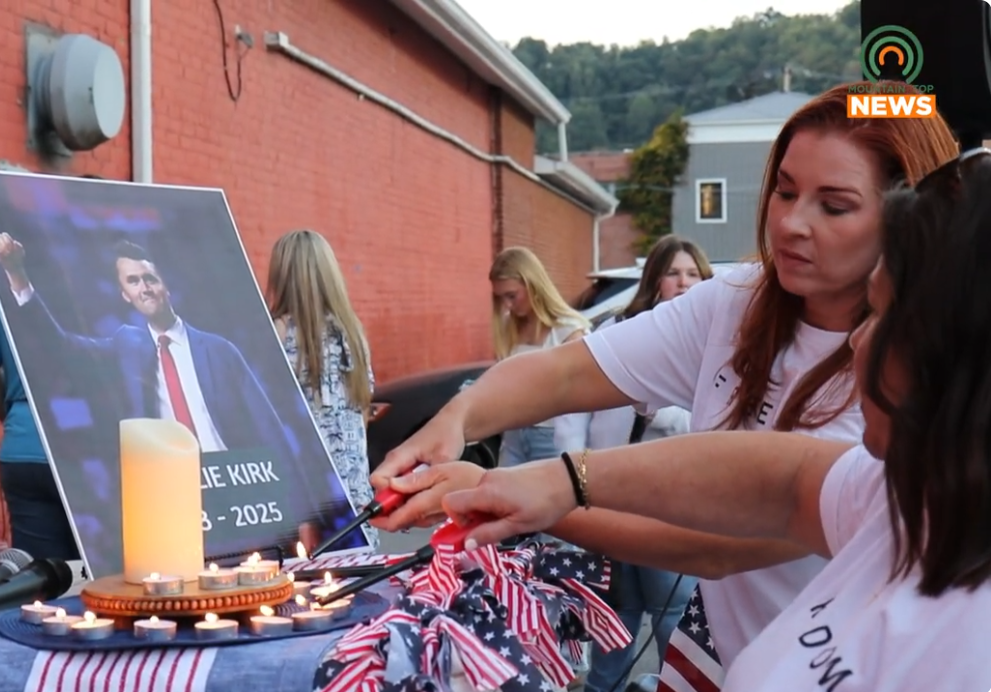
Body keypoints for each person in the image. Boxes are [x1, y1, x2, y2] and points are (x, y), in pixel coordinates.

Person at [369, 82, 957, 671]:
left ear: (910, 222)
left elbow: (723, 536)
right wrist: (459, 418)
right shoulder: (735, 300)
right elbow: (570, 373)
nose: (792, 224)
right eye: (783, 191)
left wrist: (536, 491)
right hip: (714, 656)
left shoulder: (915, 379)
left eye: (834, 206)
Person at [0, 234, 292, 458]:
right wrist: (17, 274)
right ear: (124, 295)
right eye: (133, 281)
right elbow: (61, 346)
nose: (144, 288)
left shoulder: (220, 351)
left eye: (150, 278)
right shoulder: (126, 345)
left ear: (166, 285)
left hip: (232, 479)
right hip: (168, 487)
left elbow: (271, 432)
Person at [583, 235, 712, 692]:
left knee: (669, 614)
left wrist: (663, 412)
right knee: (614, 618)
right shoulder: (620, 330)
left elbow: (714, 421)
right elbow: (579, 413)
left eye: (693, 273)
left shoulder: (711, 341)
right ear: (655, 278)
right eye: (674, 272)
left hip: (668, 504)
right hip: (608, 496)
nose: (683, 282)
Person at [266, 229, 377, 549]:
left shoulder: (279, 332)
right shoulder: (352, 332)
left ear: (282, 274)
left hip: (306, 491)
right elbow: (363, 408)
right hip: (354, 492)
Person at [0, 292, 81, 560]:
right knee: (107, 580)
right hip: (88, 446)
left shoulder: (2, 292)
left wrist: (17, 415)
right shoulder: (93, 282)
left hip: (24, 445)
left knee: (42, 576)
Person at [488, 247, 593, 467]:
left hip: (552, 437)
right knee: (505, 500)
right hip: (513, 434)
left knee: (552, 500)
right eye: (500, 298)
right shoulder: (509, 329)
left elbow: (582, 396)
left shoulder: (568, 331)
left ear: (533, 285)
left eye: (512, 296)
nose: (507, 305)